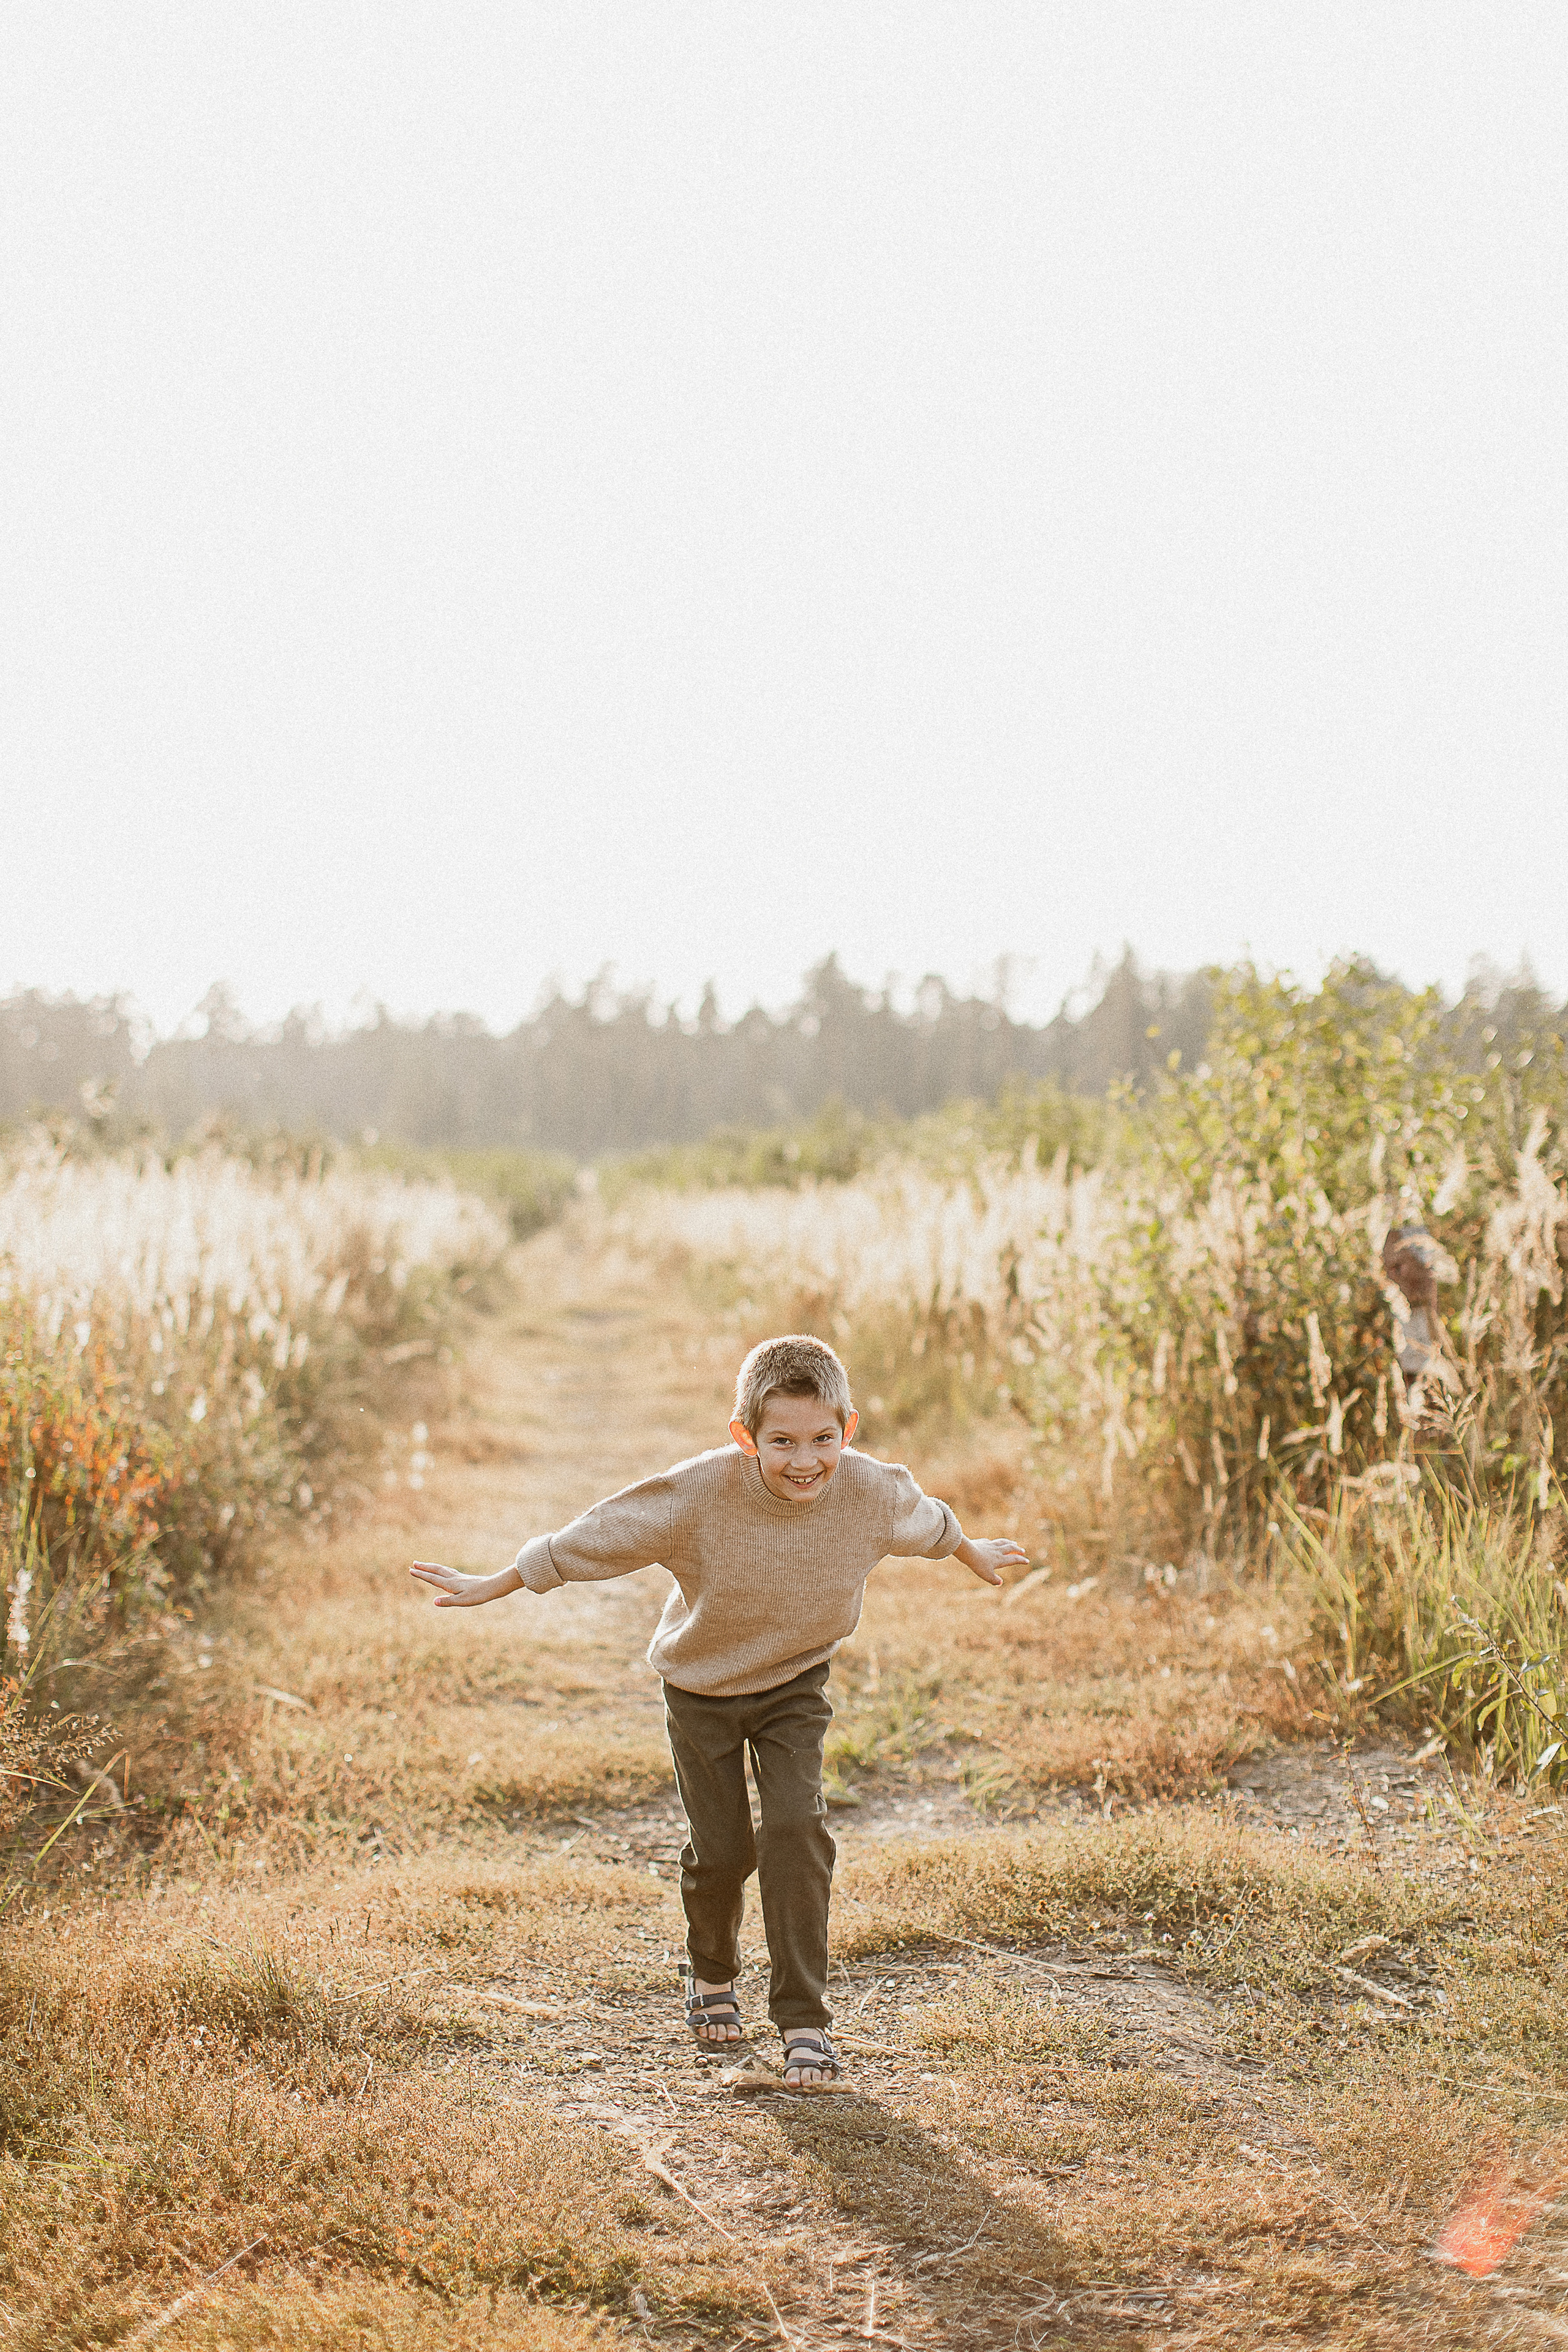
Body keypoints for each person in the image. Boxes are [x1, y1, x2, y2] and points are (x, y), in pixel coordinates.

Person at [410, 1333, 1027, 2090]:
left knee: (798, 1828)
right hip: (700, 1688)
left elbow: (928, 1521)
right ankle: (710, 1974)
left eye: (822, 1440)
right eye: (782, 1443)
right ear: (745, 1437)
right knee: (725, 1849)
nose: (805, 1461)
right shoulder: (702, 1490)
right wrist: (501, 1580)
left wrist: (974, 1552)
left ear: (848, 1429)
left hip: (795, 1684)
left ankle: (804, 2021)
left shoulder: (868, 1489)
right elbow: (600, 1534)